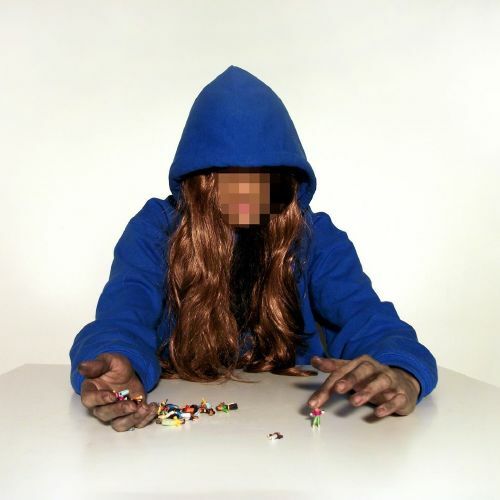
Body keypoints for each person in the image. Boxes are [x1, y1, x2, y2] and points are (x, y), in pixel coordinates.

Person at [70, 65, 438, 432]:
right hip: (184, 425)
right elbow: (125, 310)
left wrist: (400, 371)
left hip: (292, 423)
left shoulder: (314, 236)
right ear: (200, 182)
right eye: (229, 178)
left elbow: (366, 316)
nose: (247, 195)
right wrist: (117, 361)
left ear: (287, 182)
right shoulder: (156, 229)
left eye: (264, 180)